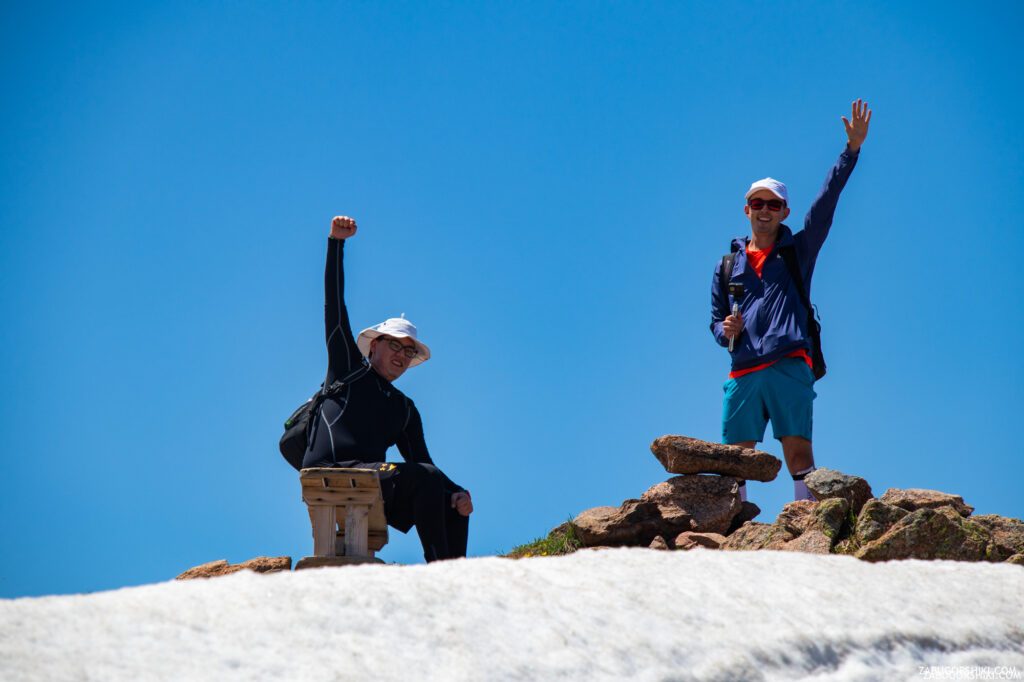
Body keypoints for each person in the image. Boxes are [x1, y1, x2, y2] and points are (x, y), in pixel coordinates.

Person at [710, 100, 872, 502]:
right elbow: (715, 320)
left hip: (788, 362)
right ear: (746, 209)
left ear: (785, 211)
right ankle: (732, 529)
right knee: (735, 455)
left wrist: (850, 153)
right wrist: (723, 330)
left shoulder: (797, 252)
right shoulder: (728, 265)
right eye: (758, 204)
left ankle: (805, 523)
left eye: (774, 205)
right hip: (744, 369)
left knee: (798, 448)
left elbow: (825, 209)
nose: (765, 211)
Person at [302, 215, 473, 562]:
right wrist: (336, 243)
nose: (402, 355)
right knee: (427, 479)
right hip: (333, 469)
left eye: (409, 352)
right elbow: (334, 308)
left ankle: (457, 578)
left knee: (448, 496)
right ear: (374, 345)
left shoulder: (403, 408)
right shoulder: (348, 369)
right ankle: (441, 569)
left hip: (373, 479)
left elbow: (424, 463)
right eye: (395, 346)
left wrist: (457, 492)